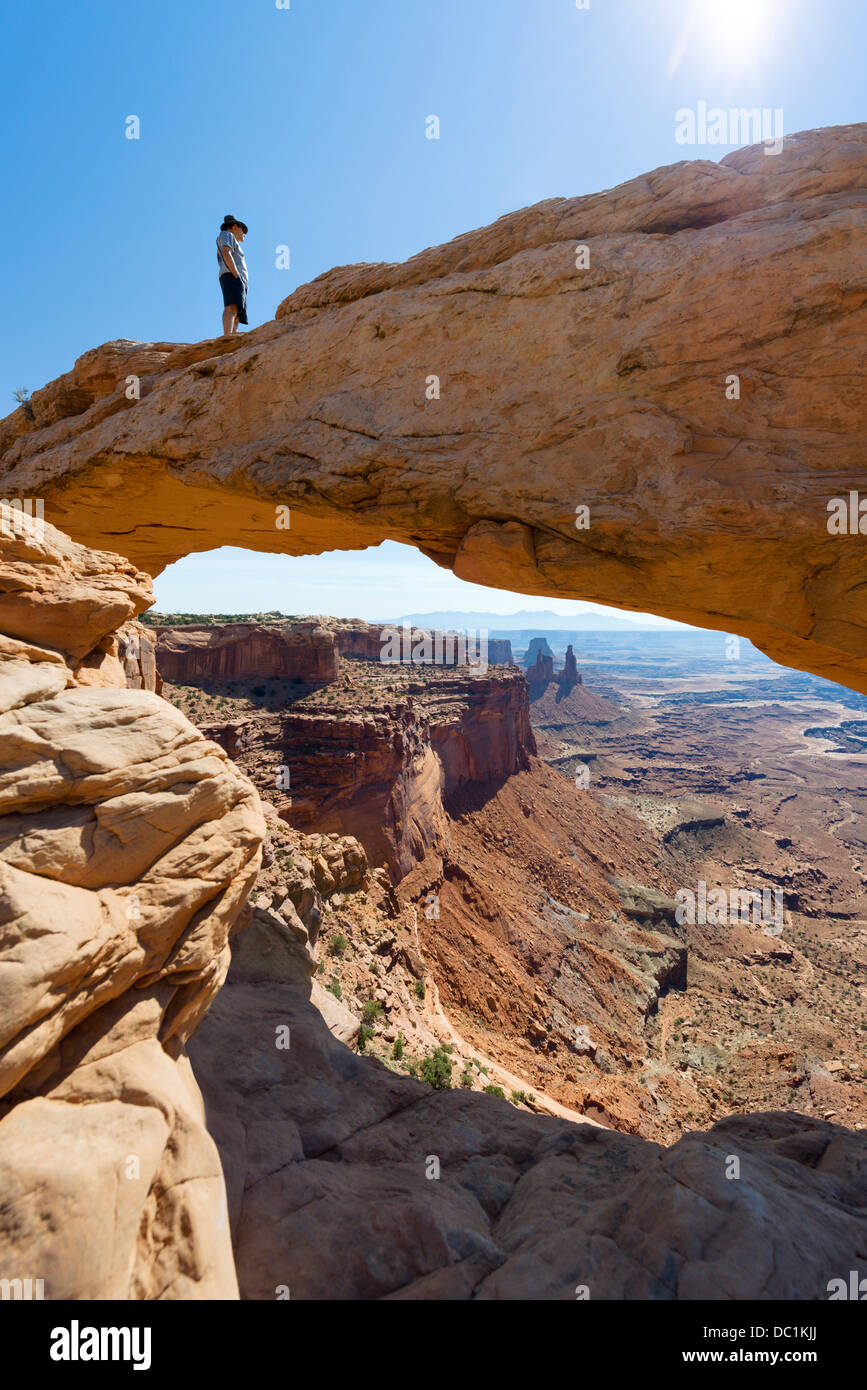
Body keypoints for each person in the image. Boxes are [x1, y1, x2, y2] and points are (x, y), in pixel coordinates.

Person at [217, 215, 249, 335]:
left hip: (237, 278)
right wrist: (236, 274)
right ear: (235, 226)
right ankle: (227, 336)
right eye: (243, 230)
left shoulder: (231, 239)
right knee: (232, 306)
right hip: (232, 275)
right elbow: (226, 252)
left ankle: (233, 336)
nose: (244, 233)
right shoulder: (227, 234)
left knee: (237, 311)